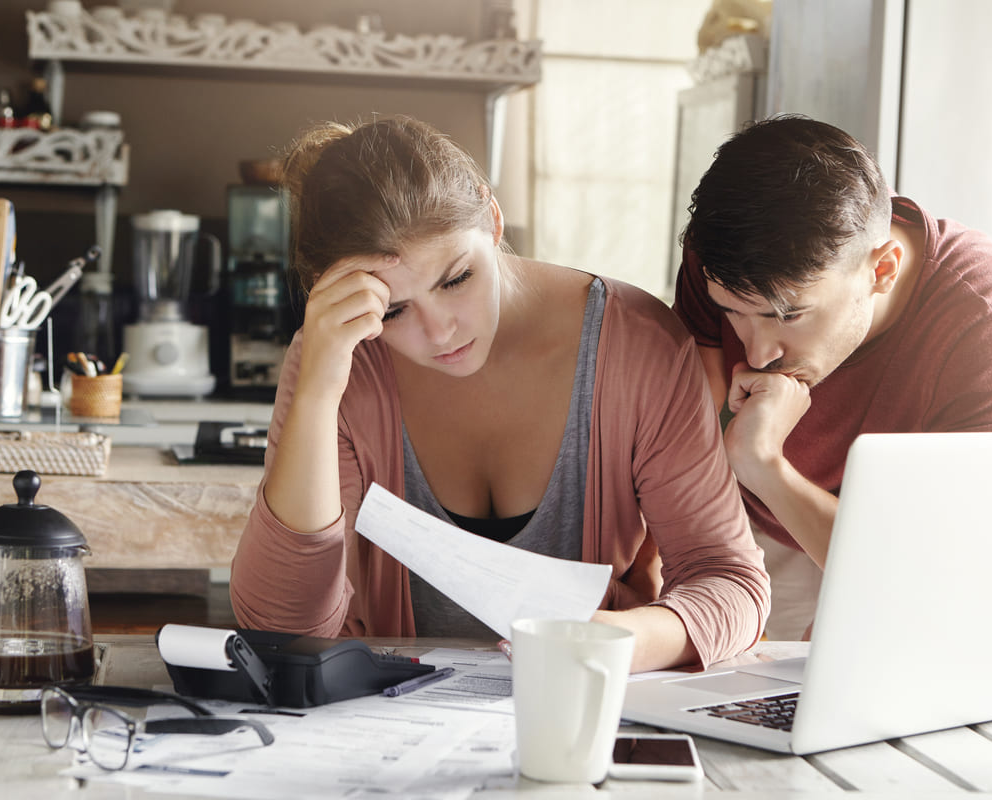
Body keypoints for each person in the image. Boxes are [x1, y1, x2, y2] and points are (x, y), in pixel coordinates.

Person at [231, 116, 769, 672]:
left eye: (456, 279)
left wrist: (615, 640)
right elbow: (280, 629)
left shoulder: (639, 345)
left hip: (582, 711)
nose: (440, 331)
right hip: (392, 727)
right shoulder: (339, 358)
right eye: (393, 310)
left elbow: (730, 583)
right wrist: (319, 389)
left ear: (492, 220)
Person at [673, 114, 992, 637]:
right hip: (744, 516)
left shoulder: (991, 320)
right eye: (734, 311)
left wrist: (763, 465)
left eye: (787, 315)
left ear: (883, 270)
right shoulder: (727, 256)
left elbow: (938, 572)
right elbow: (683, 430)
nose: (757, 354)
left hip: (910, 550)